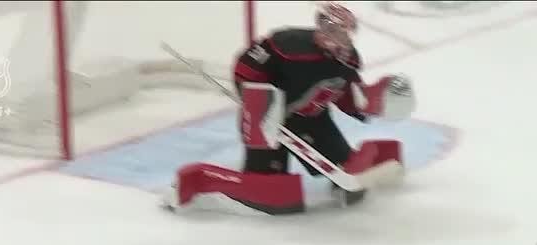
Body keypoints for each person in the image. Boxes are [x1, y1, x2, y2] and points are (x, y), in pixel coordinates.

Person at [165, 2, 413, 214]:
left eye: (345, 32)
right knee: (272, 189)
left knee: (344, 167)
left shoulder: (349, 60)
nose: (339, 38)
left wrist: (370, 104)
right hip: (268, 121)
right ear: (321, 27)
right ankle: (211, 183)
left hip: (312, 118)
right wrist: (261, 104)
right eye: (332, 30)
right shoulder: (287, 45)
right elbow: (245, 68)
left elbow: (344, 93)